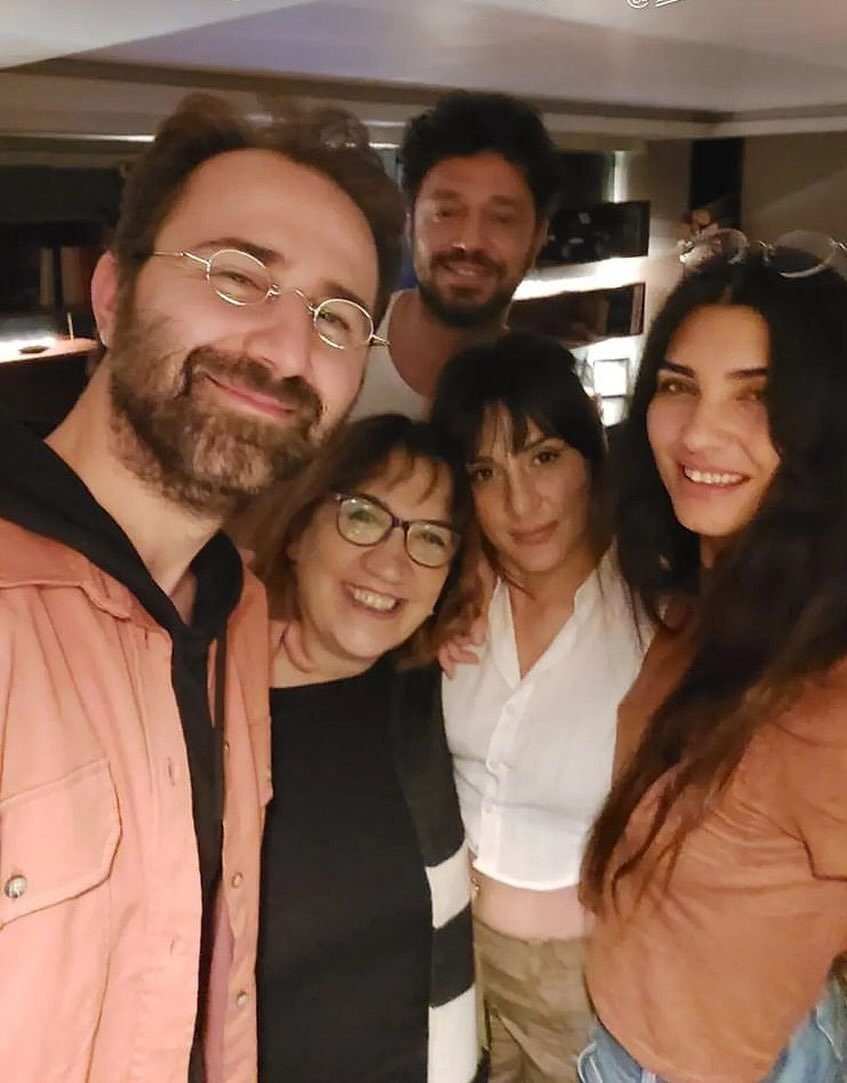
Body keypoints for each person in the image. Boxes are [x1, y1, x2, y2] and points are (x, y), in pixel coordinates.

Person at [0, 93, 403, 1083]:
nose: (287, 349)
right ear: (110, 293)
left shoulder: (235, 612)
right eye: (237, 276)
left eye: (336, 318)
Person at [578, 239, 847, 1083]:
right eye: (678, 385)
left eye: (758, 395)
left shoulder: (845, 708)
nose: (698, 430)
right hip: (633, 1046)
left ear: (830, 430)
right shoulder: (700, 608)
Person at [430, 331, 645, 1083]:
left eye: (544, 457)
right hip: (456, 961)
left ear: (592, 455)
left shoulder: (653, 617)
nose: (520, 503)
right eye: (485, 472)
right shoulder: (445, 599)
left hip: (585, 984)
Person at [247, 413, 486, 1083]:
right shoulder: (207, 712)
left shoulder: (433, 694)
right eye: (362, 516)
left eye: (429, 538)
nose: (391, 562)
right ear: (298, 532)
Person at [349, 92, 561, 421]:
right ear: (409, 221)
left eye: (501, 218)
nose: (469, 241)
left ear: (537, 238)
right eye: (445, 212)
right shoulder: (344, 343)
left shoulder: (540, 405)